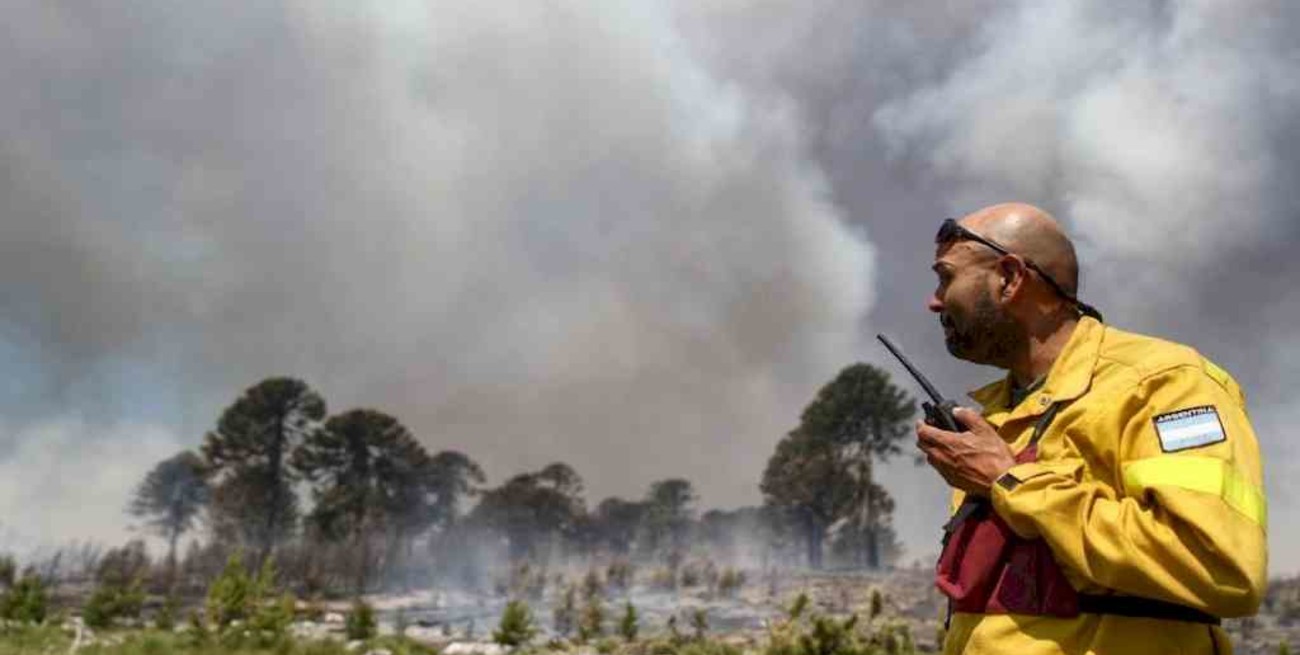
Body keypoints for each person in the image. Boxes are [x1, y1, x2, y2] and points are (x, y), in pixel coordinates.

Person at [915, 202, 1266, 655]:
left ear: (1009, 277)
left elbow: (1221, 569)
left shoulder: (1165, 385)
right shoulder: (998, 416)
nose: (934, 300)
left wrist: (1012, 481)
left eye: (946, 277)